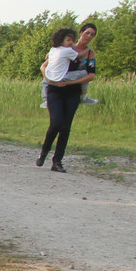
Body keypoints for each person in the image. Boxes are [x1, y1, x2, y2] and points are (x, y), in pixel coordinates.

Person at [37, 27, 95, 172]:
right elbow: (44, 66)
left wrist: (70, 83)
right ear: (81, 33)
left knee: (65, 127)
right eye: (87, 32)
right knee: (55, 123)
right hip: (55, 90)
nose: (89, 36)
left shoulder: (89, 53)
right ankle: (43, 152)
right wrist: (50, 79)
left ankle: (57, 161)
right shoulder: (64, 48)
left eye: (92, 34)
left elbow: (91, 75)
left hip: (73, 91)